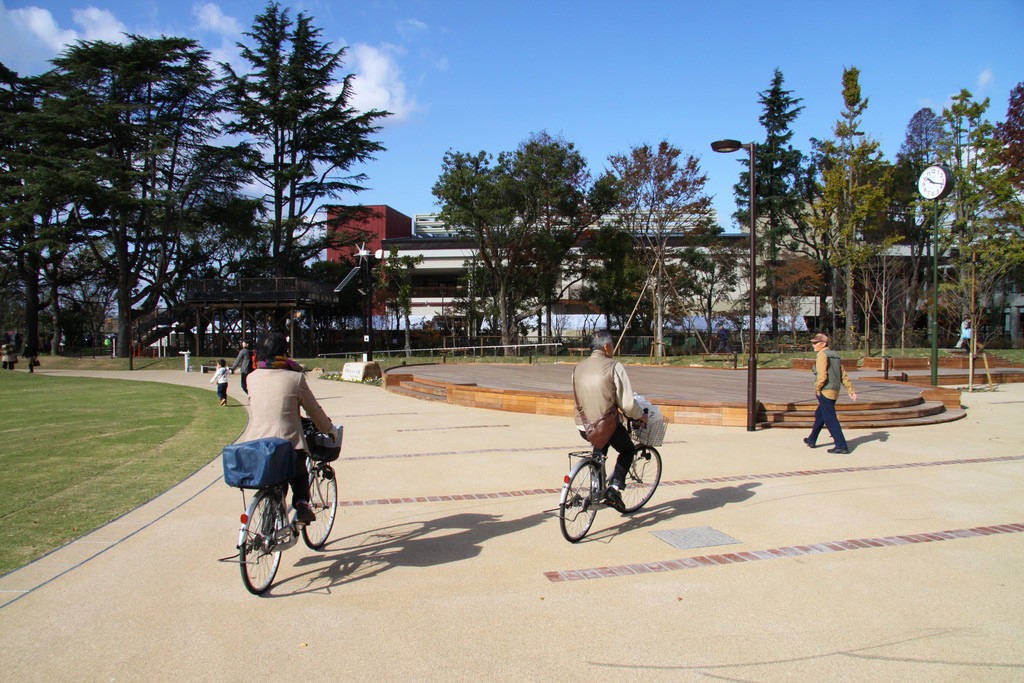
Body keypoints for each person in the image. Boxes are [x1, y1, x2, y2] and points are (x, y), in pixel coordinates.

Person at [239, 332, 336, 524]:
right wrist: (328, 428)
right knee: (299, 474)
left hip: (255, 443)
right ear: (284, 352)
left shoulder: (252, 378)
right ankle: (301, 505)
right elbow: (314, 410)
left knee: (274, 479)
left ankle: (269, 521)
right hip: (287, 442)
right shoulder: (295, 378)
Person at [572, 330, 647, 512]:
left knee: (600, 447)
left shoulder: (578, 368)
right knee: (628, 450)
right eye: (613, 345)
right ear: (606, 347)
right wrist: (641, 416)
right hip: (606, 426)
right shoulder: (614, 366)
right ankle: (614, 489)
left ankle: (596, 488)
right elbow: (628, 404)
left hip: (583, 426)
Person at [803, 333, 857, 454]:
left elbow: (822, 375)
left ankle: (841, 445)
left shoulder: (822, 355)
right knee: (820, 414)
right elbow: (843, 375)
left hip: (825, 390)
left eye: (815, 343)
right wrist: (850, 390)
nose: (813, 345)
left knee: (830, 419)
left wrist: (818, 388)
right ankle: (812, 439)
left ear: (823, 344)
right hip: (834, 390)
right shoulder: (835, 356)